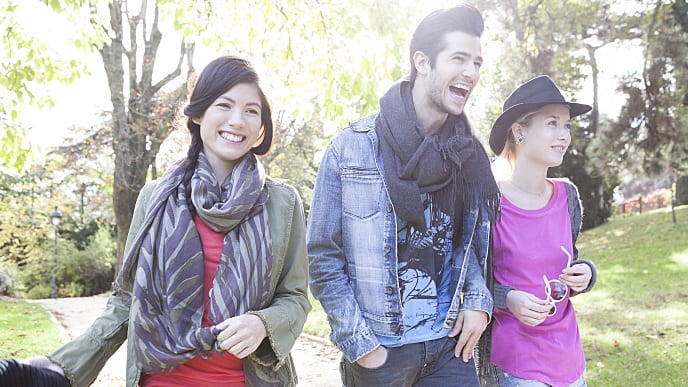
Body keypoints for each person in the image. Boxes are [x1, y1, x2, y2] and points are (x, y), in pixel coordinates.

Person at [16, 55, 311, 387]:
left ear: (261, 127)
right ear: (198, 113)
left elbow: (295, 297)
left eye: (251, 111)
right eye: (224, 105)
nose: (237, 120)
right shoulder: (155, 197)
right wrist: (62, 367)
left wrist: (263, 324)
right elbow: (128, 300)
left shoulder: (282, 204)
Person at [307, 5, 499, 386]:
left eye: (477, 62)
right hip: (381, 351)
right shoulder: (352, 150)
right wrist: (361, 345)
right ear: (422, 62)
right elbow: (323, 257)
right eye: (459, 59)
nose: (471, 73)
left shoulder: (468, 156)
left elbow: (469, 246)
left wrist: (478, 303)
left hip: (449, 346)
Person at [478, 75, 598, 387]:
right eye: (552, 123)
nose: (564, 135)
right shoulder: (488, 202)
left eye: (567, 125)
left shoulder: (567, 197)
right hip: (516, 364)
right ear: (519, 131)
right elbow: (471, 282)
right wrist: (509, 299)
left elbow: (567, 261)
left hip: (569, 359)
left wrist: (585, 273)